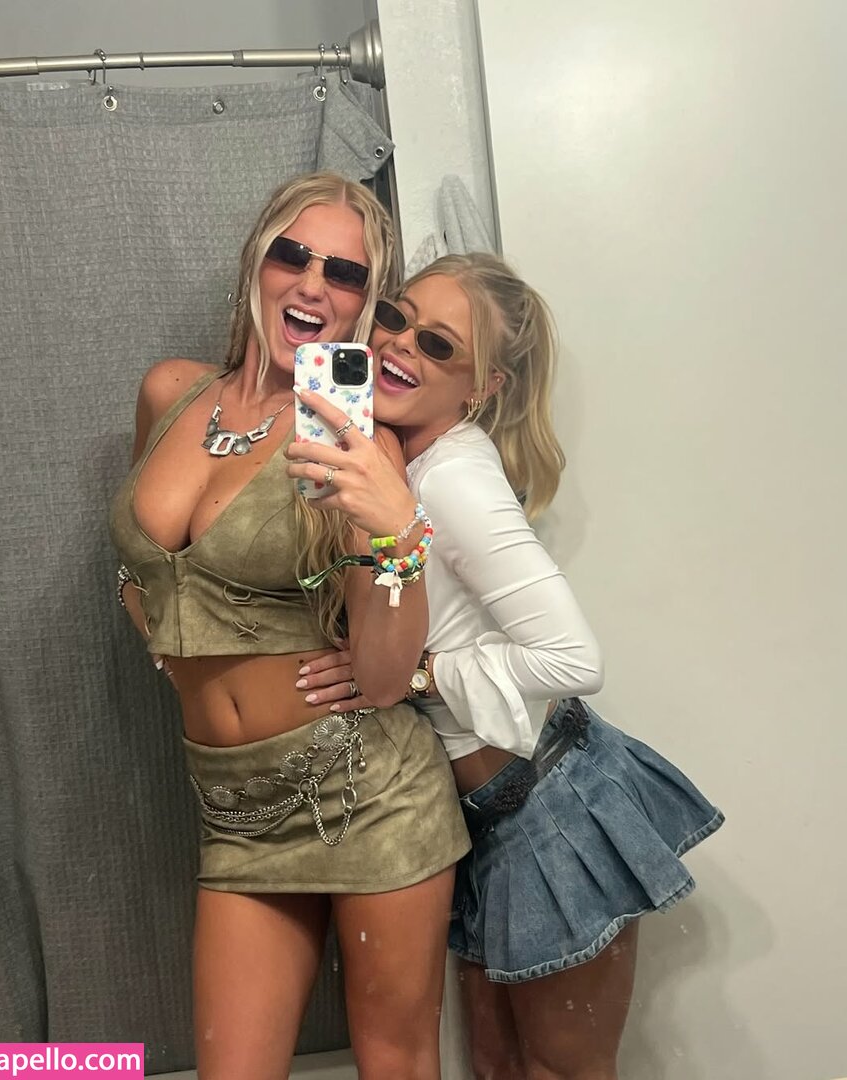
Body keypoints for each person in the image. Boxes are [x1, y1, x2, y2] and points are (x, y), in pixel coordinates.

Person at [289, 252, 725, 1080]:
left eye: (438, 345)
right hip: (486, 815)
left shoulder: (451, 478)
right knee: (495, 1067)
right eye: (397, 318)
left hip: (549, 803)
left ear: (481, 388)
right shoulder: (397, 465)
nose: (400, 344)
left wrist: (417, 676)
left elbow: (572, 657)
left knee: (560, 1071)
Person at [109, 172, 470, 1080]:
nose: (312, 284)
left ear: (361, 302)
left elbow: (382, 678)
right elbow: (145, 564)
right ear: (257, 263)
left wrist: (397, 536)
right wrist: (158, 625)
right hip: (233, 811)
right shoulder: (170, 393)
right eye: (292, 256)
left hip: (366, 795)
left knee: (394, 1064)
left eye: (344, 273)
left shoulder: (355, 437)